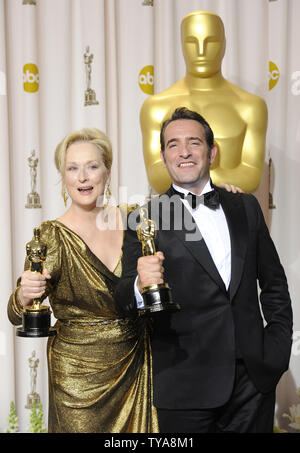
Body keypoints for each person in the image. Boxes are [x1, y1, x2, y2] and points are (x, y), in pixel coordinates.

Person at [114, 107, 293, 433]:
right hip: (183, 385)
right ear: (163, 156)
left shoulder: (245, 206)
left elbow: (274, 283)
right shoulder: (144, 218)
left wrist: (276, 351)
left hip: (252, 383)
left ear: (211, 151)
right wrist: (140, 284)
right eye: (173, 144)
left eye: (193, 142)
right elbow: (121, 298)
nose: (183, 152)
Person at [7, 128, 159, 433]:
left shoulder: (134, 220)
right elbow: (15, 314)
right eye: (72, 168)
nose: (83, 177)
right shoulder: (51, 236)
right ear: (63, 177)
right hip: (76, 380)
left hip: (135, 365)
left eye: (92, 166)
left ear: (107, 170)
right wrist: (23, 296)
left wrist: (224, 190)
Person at [140, 10, 268, 194]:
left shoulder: (250, 106)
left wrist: (189, 173)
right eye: (192, 42)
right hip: (175, 217)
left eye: (211, 41)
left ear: (224, 45)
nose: (201, 51)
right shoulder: (155, 107)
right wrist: (217, 179)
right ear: (182, 46)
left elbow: (251, 176)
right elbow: (157, 177)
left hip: (234, 216)